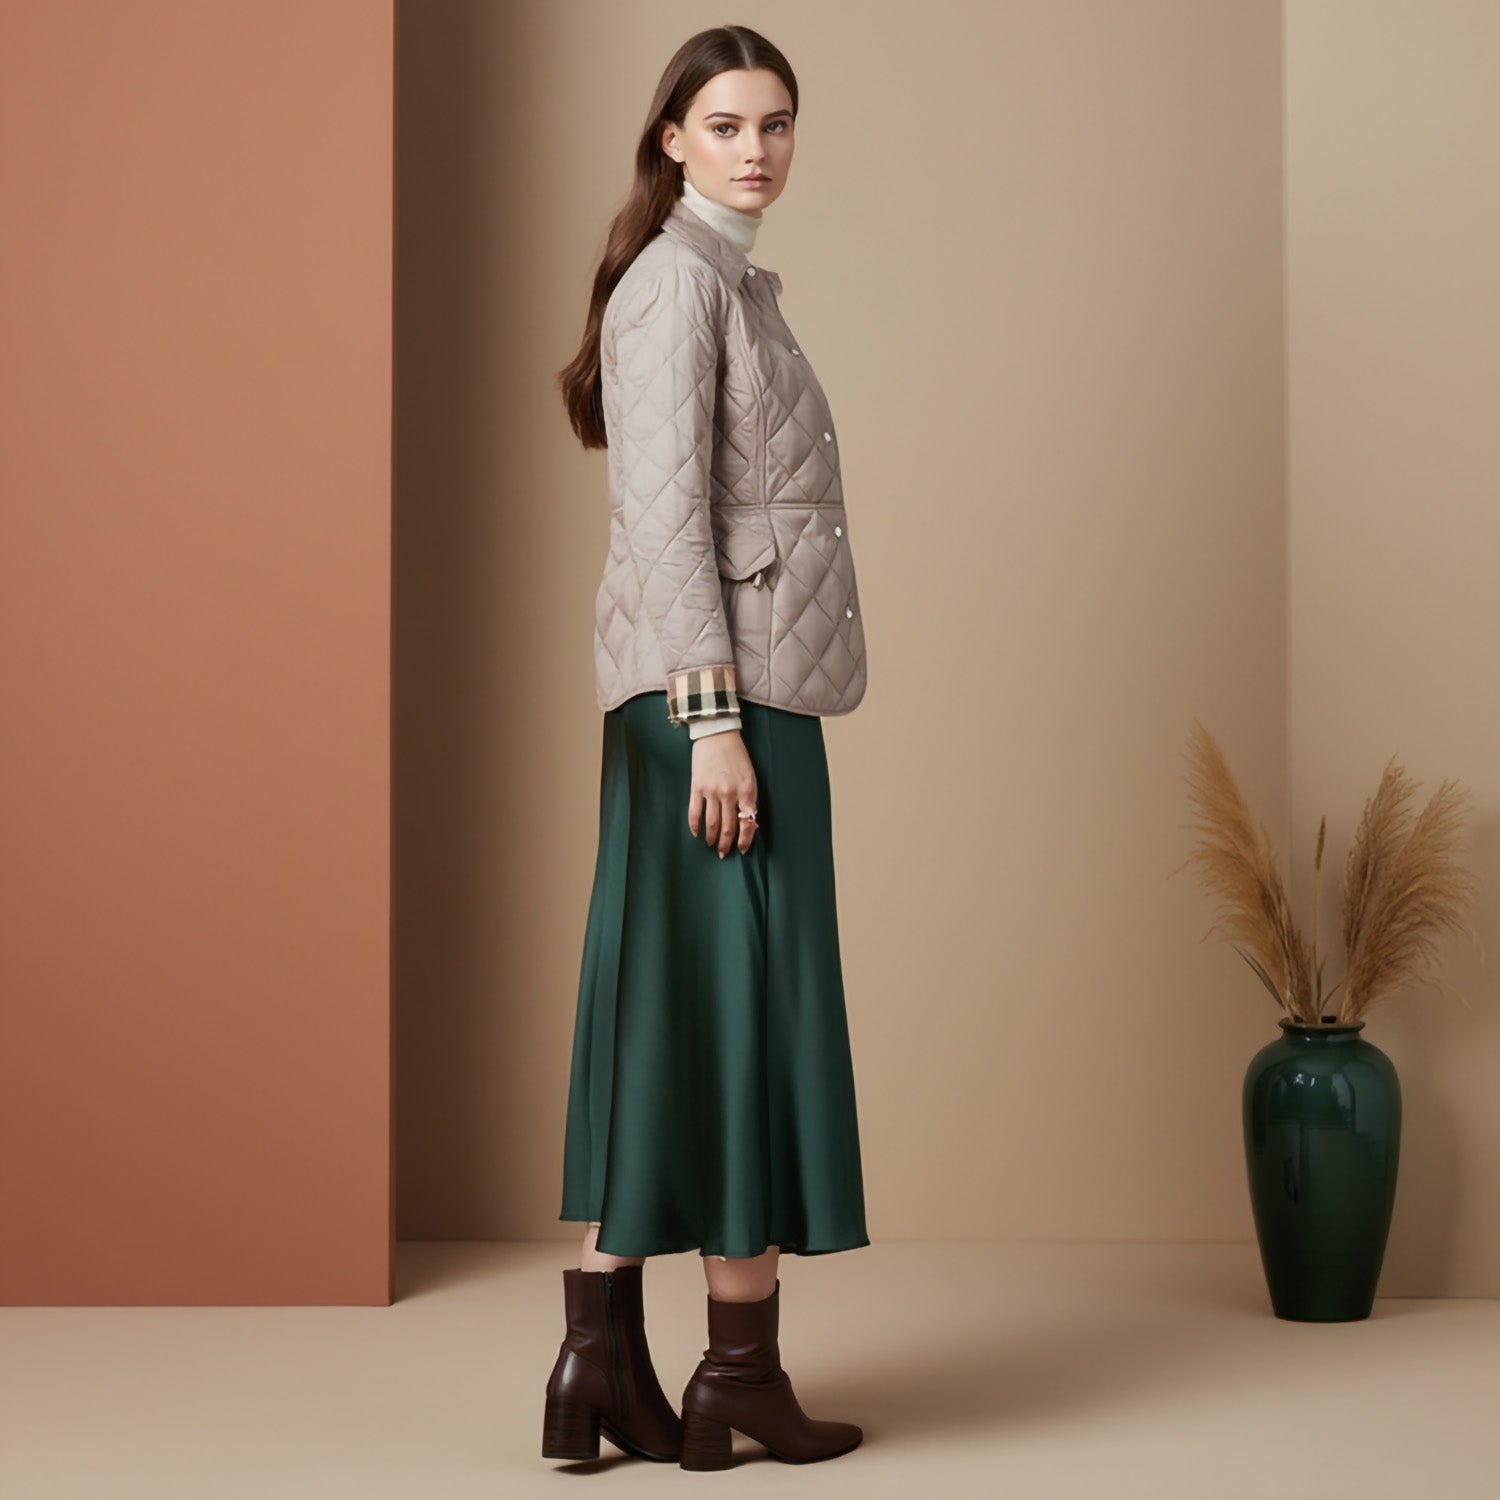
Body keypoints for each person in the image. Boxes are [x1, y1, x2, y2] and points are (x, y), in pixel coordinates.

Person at [543, 25, 870, 1472]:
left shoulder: (720, 279)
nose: (758, 148)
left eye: (778, 123)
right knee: (741, 1014)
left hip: (718, 692)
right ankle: (737, 1374)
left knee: (670, 1012)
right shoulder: (681, 286)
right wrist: (716, 724)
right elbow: (663, 526)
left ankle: (597, 1365)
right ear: (671, 136)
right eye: (728, 124)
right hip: (716, 704)